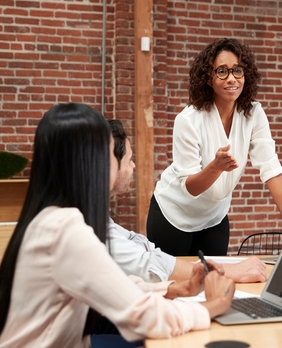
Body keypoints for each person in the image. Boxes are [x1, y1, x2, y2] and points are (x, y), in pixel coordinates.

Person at [0, 103, 235, 348]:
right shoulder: (64, 229)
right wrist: (215, 305)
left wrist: (179, 288)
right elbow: (141, 316)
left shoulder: (53, 217)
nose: (125, 163)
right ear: (92, 161)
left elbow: (112, 285)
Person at [147, 38, 282, 256]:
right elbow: (190, 188)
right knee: (175, 287)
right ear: (208, 78)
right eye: (222, 71)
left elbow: (271, 168)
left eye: (237, 71)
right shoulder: (188, 120)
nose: (231, 79)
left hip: (214, 217)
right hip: (173, 215)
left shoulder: (253, 113)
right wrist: (216, 167)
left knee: (214, 283)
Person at [107, 119, 267, 284]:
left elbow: (137, 244)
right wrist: (231, 271)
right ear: (108, 167)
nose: (133, 166)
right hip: (171, 218)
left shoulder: (99, 219)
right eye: (129, 160)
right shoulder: (91, 227)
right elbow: (148, 266)